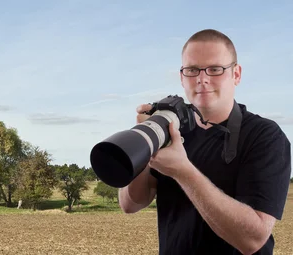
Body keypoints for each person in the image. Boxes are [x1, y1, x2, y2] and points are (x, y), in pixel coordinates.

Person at [118, 29, 291, 254]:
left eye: (215, 69)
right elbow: (130, 204)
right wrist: (145, 141)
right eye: (192, 70)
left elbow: (252, 239)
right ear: (182, 77)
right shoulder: (170, 128)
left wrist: (183, 172)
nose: (202, 79)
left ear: (236, 74)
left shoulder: (265, 136)